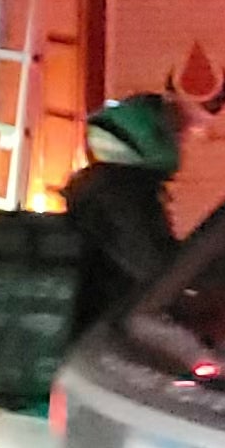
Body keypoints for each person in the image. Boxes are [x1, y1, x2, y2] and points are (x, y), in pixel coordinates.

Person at [65, 92, 186, 331]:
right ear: (149, 138)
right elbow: (154, 269)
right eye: (173, 132)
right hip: (109, 335)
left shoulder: (109, 190)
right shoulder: (123, 197)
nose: (180, 140)